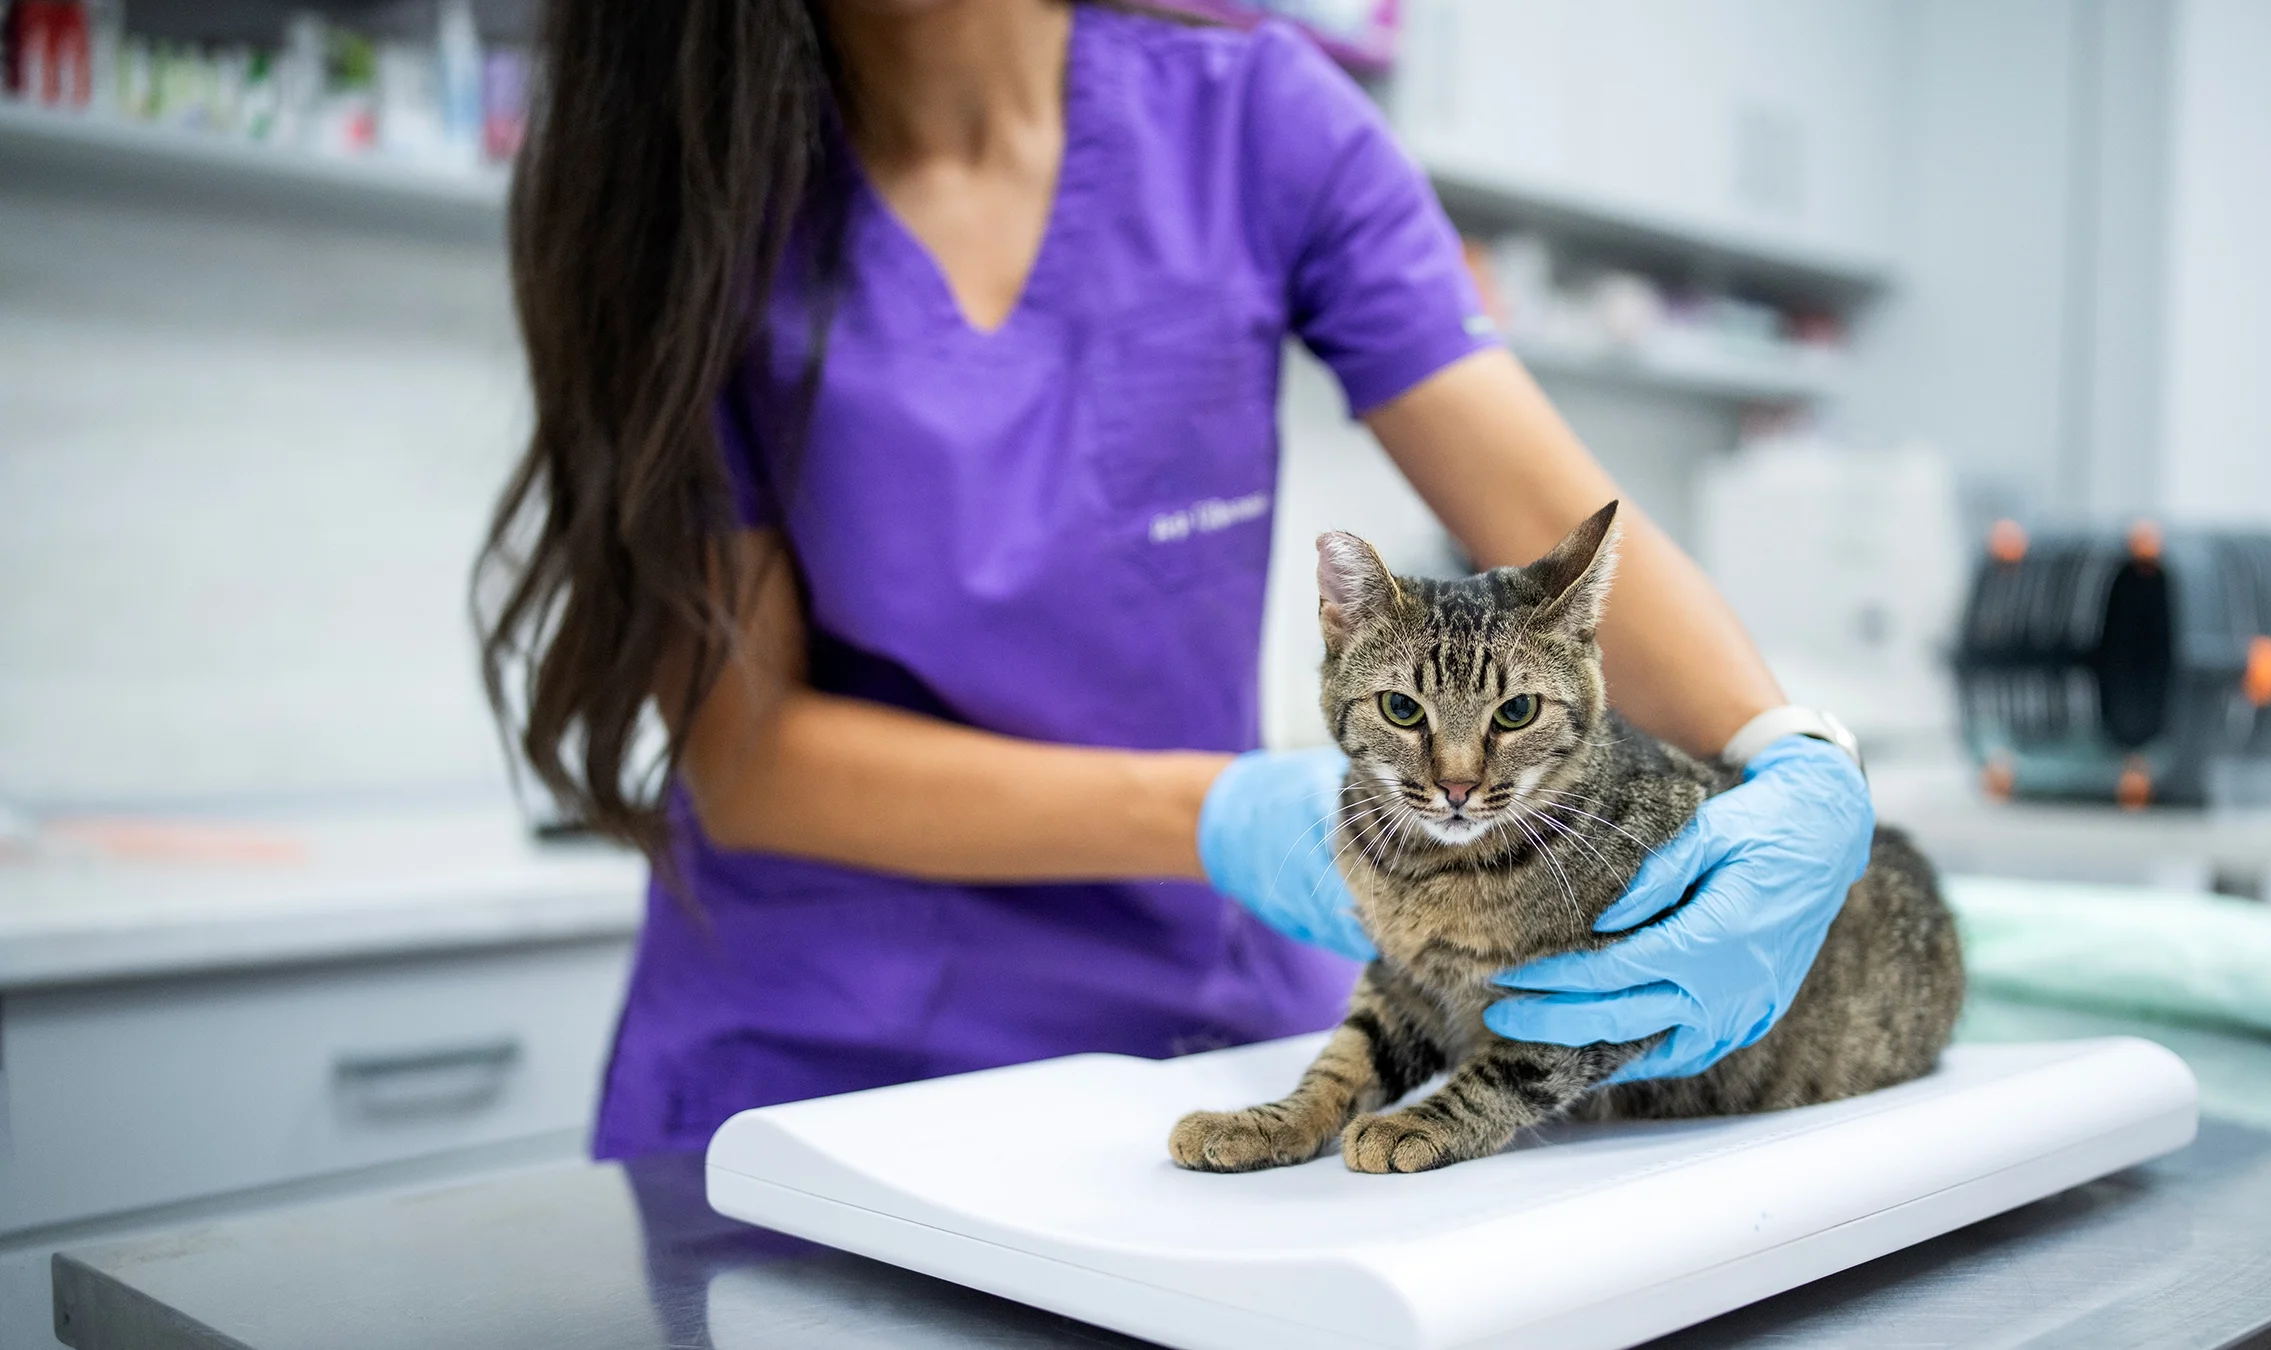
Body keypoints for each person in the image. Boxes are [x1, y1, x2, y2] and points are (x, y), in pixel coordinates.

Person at [478, 0, 1874, 1160]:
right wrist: (1218, 809)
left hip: (1197, 1036)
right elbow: (752, 751)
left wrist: (1788, 751)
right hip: (810, 1066)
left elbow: (1560, 533)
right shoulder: (676, 198)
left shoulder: (1254, 120)